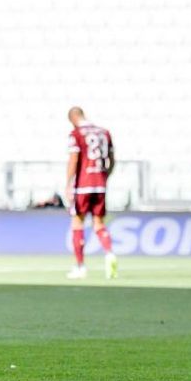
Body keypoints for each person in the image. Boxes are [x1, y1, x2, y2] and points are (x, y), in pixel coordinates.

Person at [66, 106, 117, 279]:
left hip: (83, 185)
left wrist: (68, 184)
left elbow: (74, 160)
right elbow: (112, 160)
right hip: (100, 185)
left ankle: (80, 267)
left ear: (73, 119)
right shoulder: (104, 132)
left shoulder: (77, 134)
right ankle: (110, 254)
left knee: (77, 223)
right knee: (99, 224)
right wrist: (105, 176)